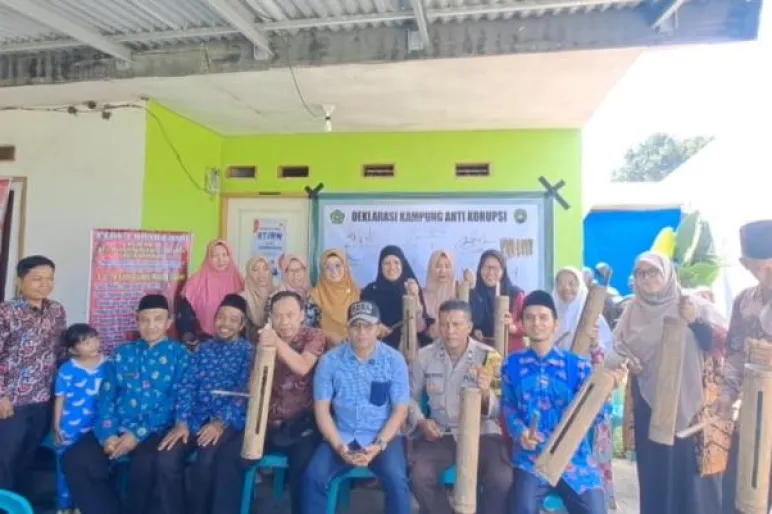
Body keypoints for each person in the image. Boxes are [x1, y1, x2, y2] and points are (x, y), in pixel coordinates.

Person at [607, 252, 730, 514]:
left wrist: (694, 321)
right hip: (650, 405)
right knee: (657, 477)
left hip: (694, 409)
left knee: (693, 482)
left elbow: (723, 344)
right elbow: (615, 349)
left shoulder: (694, 305)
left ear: (667, 274)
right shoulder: (632, 311)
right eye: (640, 273)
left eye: (653, 272)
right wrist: (628, 361)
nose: (646, 278)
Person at [63, 294, 189, 514]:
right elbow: (107, 395)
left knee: (146, 466)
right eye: (145, 319)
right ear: (137, 321)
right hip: (118, 425)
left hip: (154, 429)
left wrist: (136, 435)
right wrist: (108, 434)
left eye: (158, 319)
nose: (151, 325)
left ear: (169, 322)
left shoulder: (180, 355)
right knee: (75, 460)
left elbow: (174, 400)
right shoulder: (123, 353)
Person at [502, 290, 623, 514]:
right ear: (523, 324)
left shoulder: (577, 366)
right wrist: (521, 433)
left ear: (555, 324)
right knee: (522, 509)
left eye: (543, 317)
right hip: (531, 458)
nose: (536, 323)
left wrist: (606, 391)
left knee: (595, 511)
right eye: (529, 317)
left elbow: (597, 414)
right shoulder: (511, 365)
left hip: (574, 459)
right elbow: (508, 408)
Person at [215, 290, 326, 514]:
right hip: (265, 424)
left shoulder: (313, 336)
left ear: (302, 315)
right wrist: (263, 351)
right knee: (229, 456)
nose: (284, 322)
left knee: (304, 469)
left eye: (290, 315)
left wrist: (276, 343)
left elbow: (303, 367)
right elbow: (254, 386)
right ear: (271, 318)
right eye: (278, 316)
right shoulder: (264, 340)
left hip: (301, 425)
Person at [304, 300, 412, 514]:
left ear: (378, 329)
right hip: (342, 435)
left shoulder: (394, 360)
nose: (362, 332)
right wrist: (339, 446)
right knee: (313, 477)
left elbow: (400, 410)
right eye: (356, 326)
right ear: (347, 328)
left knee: (397, 480)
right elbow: (322, 410)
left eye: (368, 326)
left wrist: (379, 445)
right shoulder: (330, 361)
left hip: (383, 436)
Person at [409, 299, 512, 514]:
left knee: (501, 478)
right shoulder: (425, 356)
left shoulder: (489, 357)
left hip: (482, 433)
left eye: (456, 324)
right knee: (419, 476)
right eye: (444, 324)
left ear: (469, 326)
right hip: (442, 432)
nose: (450, 331)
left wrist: (486, 391)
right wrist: (421, 421)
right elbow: (409, 397)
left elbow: (497, 410)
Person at [156, 294, 254, 514]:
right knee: (166, 458)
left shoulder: (248, 352)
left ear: (242, 325)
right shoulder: (203, 349)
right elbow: (187, 385)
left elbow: (243, 393)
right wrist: (181, 422)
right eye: (221, 317)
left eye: (233, 319)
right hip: (194, 418)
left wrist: (219, 423)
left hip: (226, 421)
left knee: (206, 460)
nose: (225, 323)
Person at [0, 255, 67, 493]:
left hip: (44, 397)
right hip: (12, 401)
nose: (45, 284)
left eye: (49, 279)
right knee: (5, 458)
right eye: (37, 279)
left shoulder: (56, 311)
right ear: (20, 281)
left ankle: (21, 504)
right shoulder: (6, 312)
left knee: (29, 456)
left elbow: (61, 351)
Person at [719, 219, 772, 514]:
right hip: (752, 414)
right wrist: (727, 394)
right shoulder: (743, 301)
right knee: (740, 496)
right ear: (744, 264)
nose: (768, 274)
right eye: (760, 268)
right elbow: (735, 353)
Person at [552, 267, 616, 508]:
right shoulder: (550, 315)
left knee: (587, 445)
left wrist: (594, 342)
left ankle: (592, 495)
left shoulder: (593, 317)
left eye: (572, 283)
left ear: (580, 287)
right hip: (556, 393)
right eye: (561, 283)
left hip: (587, 391)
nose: (566, 288)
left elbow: (606, 358)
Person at [53, 323, 110, 514]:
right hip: (71, 424)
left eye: (94, 338)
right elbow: (60, 398)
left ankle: (81, 505)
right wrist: (56, 424)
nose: (93, 344)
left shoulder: (108, 365)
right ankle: (64, 506)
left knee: (85, 466)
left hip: (98, 424)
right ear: (73, 349)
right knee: (64, 464)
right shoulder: (67, 369)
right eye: (85, 342)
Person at [361, 245, 432, 349]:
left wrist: (415, 297)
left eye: (396, 262)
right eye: (387, 263)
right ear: (380, 266)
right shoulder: (370, 291)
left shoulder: (411, 288)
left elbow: (421, 328)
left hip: (409, 348)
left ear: (403, 265)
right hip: (378, 348)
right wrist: (376, 327)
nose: (392, 267)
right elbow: (363, 322)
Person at [177, 239, 244, 347]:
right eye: (215, 256)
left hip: (234, 343)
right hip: (203, 341)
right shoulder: (195, 282)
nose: (221, 260)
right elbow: (185, 317)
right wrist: (192, 340)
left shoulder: (239, 281)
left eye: (224, 255)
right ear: (208, 258)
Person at [469, 249, 525, 353]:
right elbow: (466, 323)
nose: (490, 272)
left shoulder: (515, 295)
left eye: (495, 268)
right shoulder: (473, 295)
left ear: (503, 271)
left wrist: (513, 327)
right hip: (481, 353)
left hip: (511, 353)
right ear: (480, 269)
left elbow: (529, 325)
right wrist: (473, 331)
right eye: (486, 267)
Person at [309, 249, 360, 347]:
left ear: (345, 267)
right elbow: (309, 330)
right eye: (327, 267)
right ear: (322, 271)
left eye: (338, 265)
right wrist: (330, 336)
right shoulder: (314, 296)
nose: (333, 270)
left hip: (355, 348)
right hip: (325, 349)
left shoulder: (356, 292)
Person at [266, 254, 321, 329]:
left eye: (299, 270)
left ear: (305, 271)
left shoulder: (312, 295)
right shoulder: (275, 297)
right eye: (291, 271)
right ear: (285, 273)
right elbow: (270, 326)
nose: (295, 275)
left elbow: (317, 325)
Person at [422, 250, 458, 340]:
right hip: (428, 344)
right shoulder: (421, 295)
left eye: (447, 266)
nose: (443, 271)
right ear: (431, 268)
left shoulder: (459, 292)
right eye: (438, 266)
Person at [240, 256, 276, 342]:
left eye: (265, 269)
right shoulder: (241, 299)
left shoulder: (278, 295)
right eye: (255, 270)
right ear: (249, 273)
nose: (261, 274)